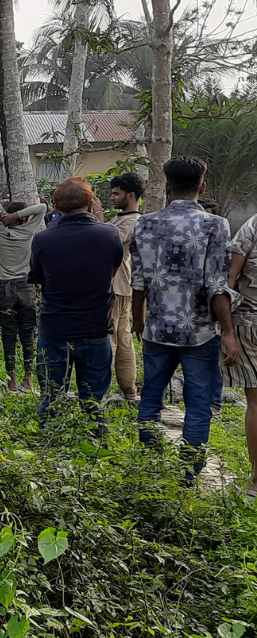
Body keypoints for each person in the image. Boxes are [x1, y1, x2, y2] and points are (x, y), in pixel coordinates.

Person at [131, 156, 239, 484]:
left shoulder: (144, 224)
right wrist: (228, 332)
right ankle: (186, 479)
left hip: (157, 328)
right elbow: (217, 286)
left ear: (166, 187)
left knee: (150, 397)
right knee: (198, 404)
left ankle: (152, 470)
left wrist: (138, 321)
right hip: (200, 332)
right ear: (202, 187)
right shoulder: (214, 225)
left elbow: (139, 283)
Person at [28, 177, 123, 434]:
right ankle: (95, 448)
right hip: (95, 328)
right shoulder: (110, 234)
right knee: (93, 402)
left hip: (55, 328)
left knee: (51, 398)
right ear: (91, 203)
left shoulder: (42, 240)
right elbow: (111, 273)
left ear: (56, 207)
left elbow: (39, 280)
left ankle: (49, 446)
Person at [0, 199, 48, 393]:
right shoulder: (27, 231)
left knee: (8, 336)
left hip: (6, 288)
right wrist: (17, 216)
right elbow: (43, 208)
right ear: (24, 217)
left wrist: (3, 215)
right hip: (27, 287)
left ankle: (11, 381)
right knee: (28, 335)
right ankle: (28, 380)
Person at [225, 209, 257, 495]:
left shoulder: (253, 225)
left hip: (250, 323)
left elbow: (231, 279)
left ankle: (256, 481)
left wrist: (227, 330)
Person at [108, 173, 144, 402]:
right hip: (121, 286)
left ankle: (100, 388)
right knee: (122, 337)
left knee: (110, 338)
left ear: (130, 195)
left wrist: (98, 215)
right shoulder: (121, 218)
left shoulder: (133, 221)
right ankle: (129, 389)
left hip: (116, 286)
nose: (112, 197)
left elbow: (108, 241)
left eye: (116, 193)